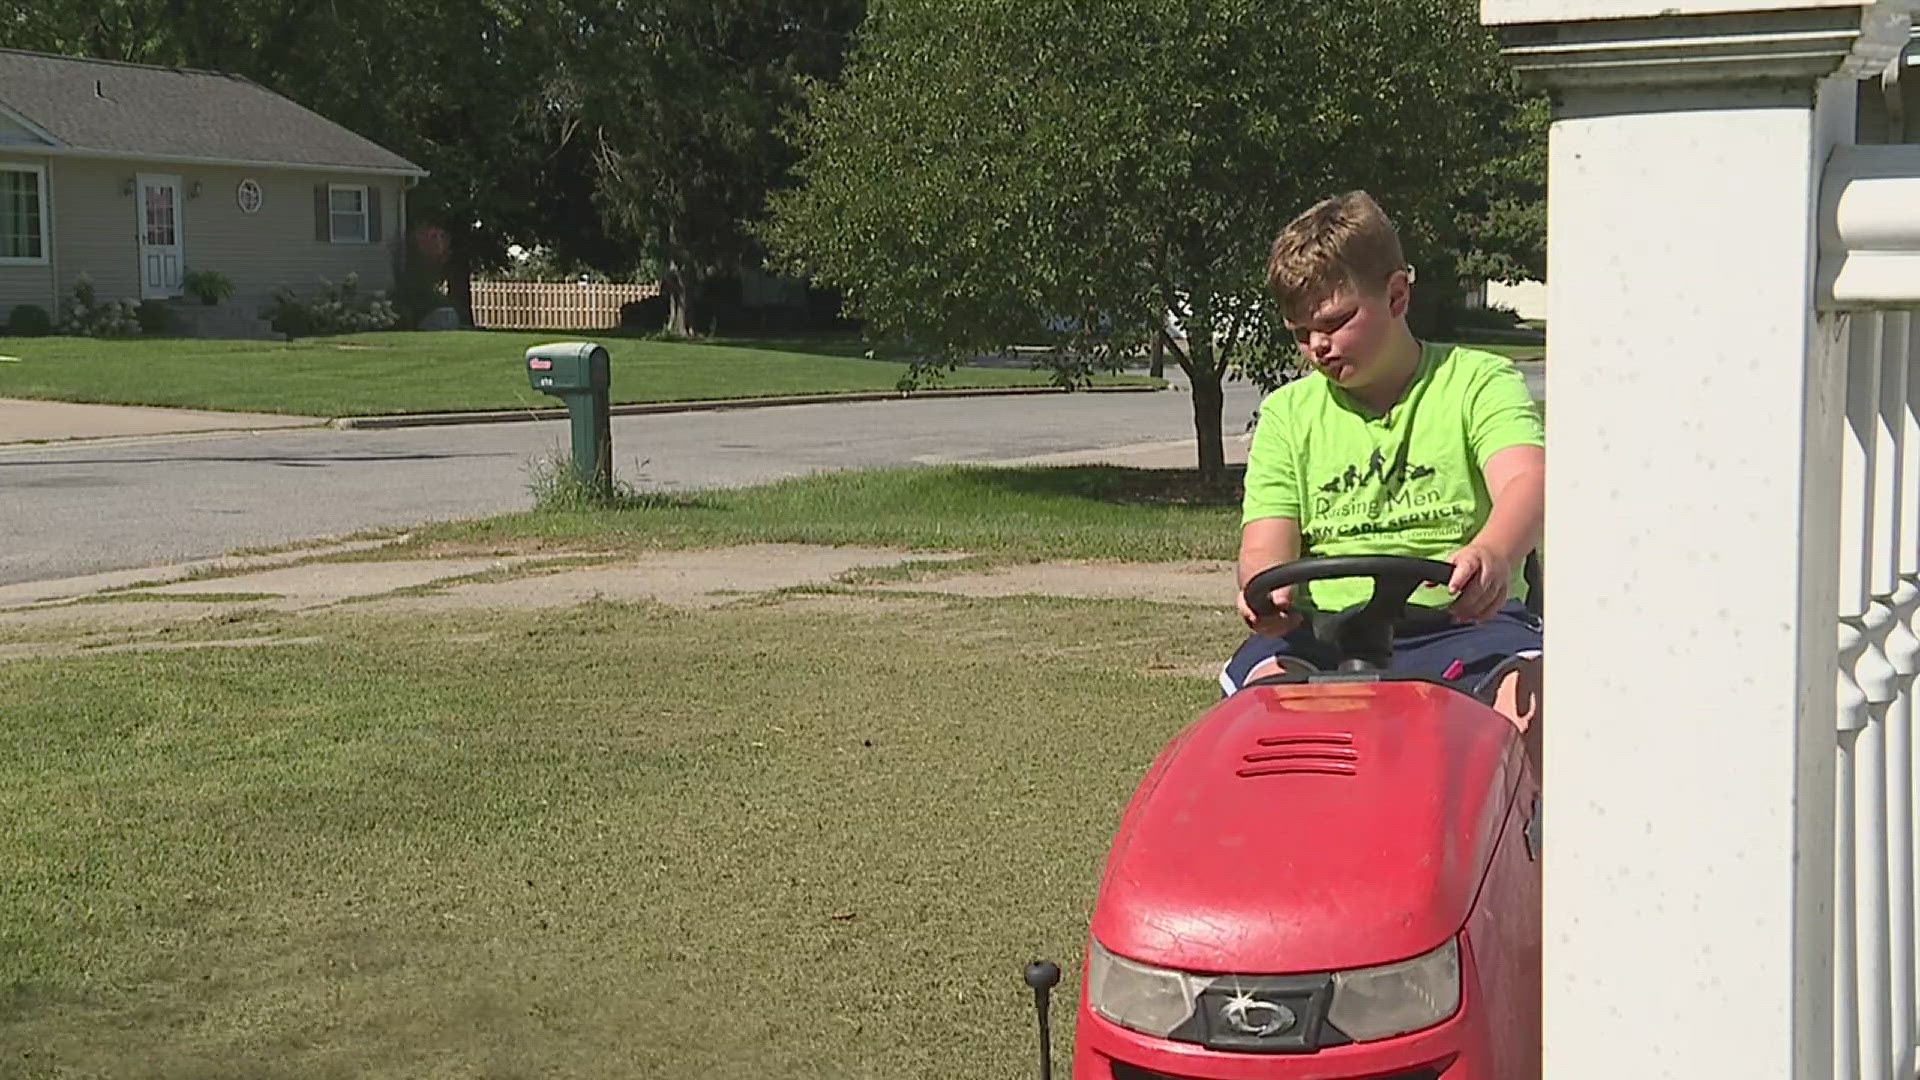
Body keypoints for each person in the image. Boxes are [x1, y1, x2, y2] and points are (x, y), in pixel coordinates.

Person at [1221, 190, 1545, 763]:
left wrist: (1494, 552)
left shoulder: (1477, 383)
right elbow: (1264, 544)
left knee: (1533, 710)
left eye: (1336, 322)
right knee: (1252, 715)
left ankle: (1532, 854)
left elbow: (1529, 482)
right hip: (1321, 638)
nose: (1317, 346)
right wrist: (1266, 584)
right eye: (1300, 333)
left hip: (1466, 626)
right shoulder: (1288, 415)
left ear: (1397, 295)